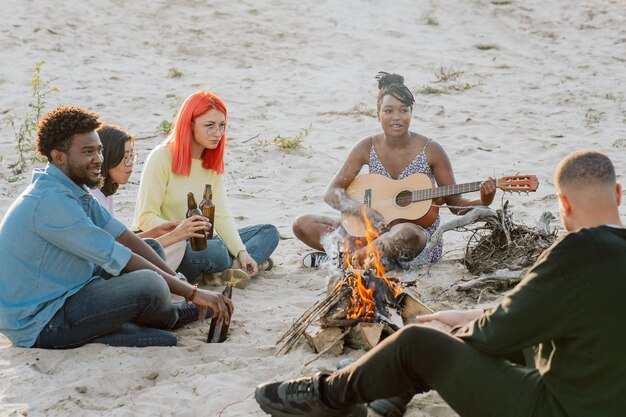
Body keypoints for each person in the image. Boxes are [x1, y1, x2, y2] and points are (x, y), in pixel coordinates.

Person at [255, 149, 626, 417]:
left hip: (559, 407)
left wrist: (446, 333)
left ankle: (327, 395)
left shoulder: (576, 250)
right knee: (472, 334)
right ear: (618, 194)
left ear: (562, 203)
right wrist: (462, 315)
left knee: (419, 342)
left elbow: (499, 333)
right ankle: (392, 396)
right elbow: (535, 312)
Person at [0, 106, 233, 348]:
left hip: (72, 288)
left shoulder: (69, 187)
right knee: (147, 283)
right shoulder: (50, 202)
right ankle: (155, 321)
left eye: (99, 150)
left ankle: (155, 319)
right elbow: (119, 255)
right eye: (87, 152)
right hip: (42, 321)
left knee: (151, 247)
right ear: (59, 157)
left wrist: (180, 280)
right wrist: (193, 294)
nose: (98, 159)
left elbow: (124, 236)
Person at [292, 72, 495, 270]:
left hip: (413, 240)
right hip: (371, 233)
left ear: (411, 112)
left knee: (406, 232)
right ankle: (360, 258)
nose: (396, 117)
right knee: (303, 224)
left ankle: (343, 260)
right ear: (378, 114)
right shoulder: (366, 147)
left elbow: (455, 205)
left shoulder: (432, 150)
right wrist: (363, 211)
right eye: (388, 111)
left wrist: (483, 201)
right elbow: (332, 193)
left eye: (403, 110)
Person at [132, 91, 279, 282]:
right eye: (209, 126)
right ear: (189, 124)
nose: (218, 133)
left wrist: (242, 252)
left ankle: (237, 265)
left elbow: (222, 217)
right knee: (217, 250)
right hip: (167, 246)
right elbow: (145, 217)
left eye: (222, 125)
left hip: (201, 241)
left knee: (268, 232)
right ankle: (253, 264)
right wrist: (183, 229)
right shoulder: (161, 157)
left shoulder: (210, 163)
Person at [91, 124, 204, 271]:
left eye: (132, 156)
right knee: (194, 248)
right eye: (125, 158)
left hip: (119, 262)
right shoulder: (94, 199)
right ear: (108, 158)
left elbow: (119, 241)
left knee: (182, 244)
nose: (130, 164)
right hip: (108, 272)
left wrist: (157, 231)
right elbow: (113, 253)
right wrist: (174, 236)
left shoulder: (104, 194)